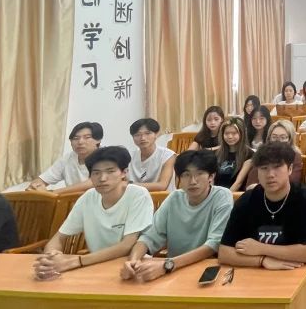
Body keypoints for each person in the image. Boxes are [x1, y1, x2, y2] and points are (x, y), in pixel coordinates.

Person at [219, 143, 306, 309]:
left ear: (290, 169)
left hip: (299, 272)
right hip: (253, 273)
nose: (270, 174)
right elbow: (224, 253)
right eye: (264, 168)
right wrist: (262, 260)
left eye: (277, 167)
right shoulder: (247, 200)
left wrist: (260, 248)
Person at [34, 146, 154, 280]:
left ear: (123, 172)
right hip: (95, 266)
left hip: (132, 267)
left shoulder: (138, 195)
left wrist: (74, 262)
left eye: (110, 171)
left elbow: (127, 245)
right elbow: (58, 238)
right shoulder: (88, 197)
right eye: (96, 173)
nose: (102, 178)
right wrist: (51, 259)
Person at [120, 150, 233, 282]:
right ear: (178, 179)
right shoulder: (174, 198)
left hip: (204, 269)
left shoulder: (222, 196)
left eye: (199, 174)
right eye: (186, 175)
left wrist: (168, 265)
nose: (193, 181)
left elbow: (213, 244)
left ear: (211, 177)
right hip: (173, 270)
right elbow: (150, 237)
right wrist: (133, 261)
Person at [27, 121, 103, 192]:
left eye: (87, 137)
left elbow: (92, 182)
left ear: (98, 140)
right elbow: (43, 179)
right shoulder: (68, 158)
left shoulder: (105, 157)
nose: (80, 142)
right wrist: (36, 186)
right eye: (76, 138)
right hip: (71, 200)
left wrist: (52, 193)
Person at [246, 120, 304, 189]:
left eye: (283, 137)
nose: (278, 141)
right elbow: (250, 183)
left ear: (290, 140)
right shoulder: (263, 154)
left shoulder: (295, 156)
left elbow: (292, 181)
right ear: (269, 138)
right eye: (274, 137)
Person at [126, 118, 176, 192]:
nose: (142, 138)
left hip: (161, 198)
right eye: (137, 135)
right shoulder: (129, 156)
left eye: (147, 133)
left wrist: (130, 185)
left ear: (156, 134)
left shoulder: (168, 155)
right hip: (136, 197)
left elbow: (162, 185)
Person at [215, 118, 253, 192]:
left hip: (235, 194)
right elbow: (212, 178)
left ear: (241, 134)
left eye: (234, 133)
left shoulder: (249, 154)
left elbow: (238, 183)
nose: (230, 137)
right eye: (226, 133)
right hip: (217, 193)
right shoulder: (217, 153)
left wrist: (225, 197)